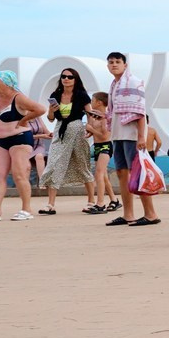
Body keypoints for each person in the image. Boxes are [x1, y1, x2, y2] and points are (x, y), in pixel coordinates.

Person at [0, 71, 45, 222]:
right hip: (1, 141)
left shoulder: (18, 98)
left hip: (19, 139)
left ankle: (26, 209)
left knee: (19, 174)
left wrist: (23, 120)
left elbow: (40, 109)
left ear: (7, 83)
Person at [43, 67, 98, 215]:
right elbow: (50, 118)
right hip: (60, 128)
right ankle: (50, 204)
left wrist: (90, 128)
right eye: (63, 76)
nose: (66, 79)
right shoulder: (56, 95)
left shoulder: (81, 95)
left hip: (77, 128)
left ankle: (91, 201)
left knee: (82, 163)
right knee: (54, 163)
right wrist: (51, 110)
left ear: (75, 79)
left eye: (70, 77)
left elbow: (90, 113)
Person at [102, 51, 147, 223]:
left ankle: (150, 213)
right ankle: (128, 214)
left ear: (125, 65)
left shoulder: (133, 82)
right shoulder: (114, 85)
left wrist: (141, 137)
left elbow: (141, 111)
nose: (114, 64)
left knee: (138, 173)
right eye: (111, 62)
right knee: (122, 172)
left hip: (132, 134)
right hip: (118, 134)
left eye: (117, 62)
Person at [83, 94, 118, 215]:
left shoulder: (105, 118)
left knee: (98, 173)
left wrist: (91, 130)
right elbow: (94, 132)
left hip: (105, 146)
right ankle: (114, 200)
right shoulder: (95, 116)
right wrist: (89, 133)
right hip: (97, 146)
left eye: (92, 101)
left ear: (99, 103)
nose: (91, 103)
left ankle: (100, 203)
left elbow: (104, 135)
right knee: (103, 176)